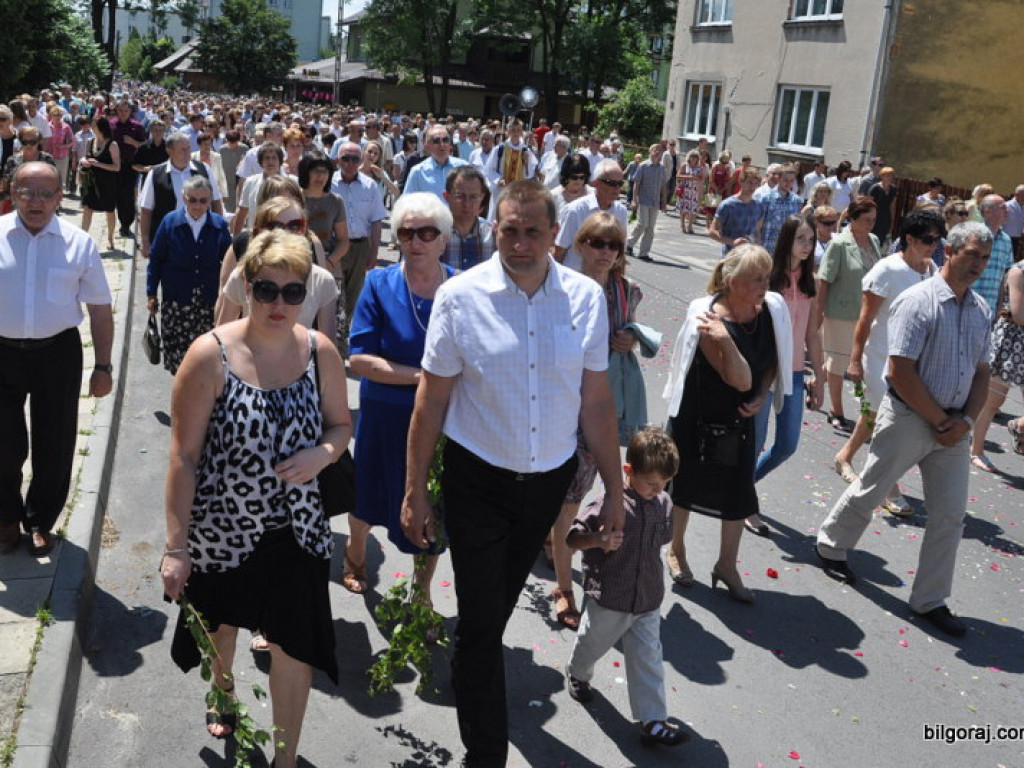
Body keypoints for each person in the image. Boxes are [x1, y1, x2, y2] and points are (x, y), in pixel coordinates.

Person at [401, 180, 624, 768]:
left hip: (546, 485)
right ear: (492, 230)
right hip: (476, 481)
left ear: (556, 235)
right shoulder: (461, 297)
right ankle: (486, 752)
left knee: (492, 612)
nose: (519, 243)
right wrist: (415, 490)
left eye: (532, 231)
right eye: (508, 231)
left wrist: (617, 490)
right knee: (480, 619)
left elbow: (596, 402)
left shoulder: (584, 299)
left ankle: (468, 667)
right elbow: (431, 399)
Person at [161, 229, 352, 767]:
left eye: (293, 293)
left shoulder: (320, 352)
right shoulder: (209, 355)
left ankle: (285, 760)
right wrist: (176, 548)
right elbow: (183, 457)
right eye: (267, 289)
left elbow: (341, 427)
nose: (279, 304)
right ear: (246, 286)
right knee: (221, 628)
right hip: (222, 530)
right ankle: (222, 692)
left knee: (295, 646)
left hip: (298, 531)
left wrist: (323, 454)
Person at [815, 222, 993, 638]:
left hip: (954, 427)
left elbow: (983, 372)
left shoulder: (981, 309)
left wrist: (965, 421)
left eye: (984, 259)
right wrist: (938, 420)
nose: (978, 265)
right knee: (873, 488)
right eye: (970, 255)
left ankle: (930, 599)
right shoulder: (919, 301)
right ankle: (831, 546)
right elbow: (900, 371)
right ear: (949, 250)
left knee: (949, 516)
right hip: (912, 417)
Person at [341, 193, 456, 628]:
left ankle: (421, 594)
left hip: (442, 421)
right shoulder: (378, 283)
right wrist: (426, 377)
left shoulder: (461, 287)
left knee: (432, 508)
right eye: (407, 232)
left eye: (427, 233)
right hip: (385, 415)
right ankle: (355, 553)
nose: (416, 241)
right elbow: (360, 360)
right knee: (368, 497)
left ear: (443, 239)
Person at [662, 244, 792, 600]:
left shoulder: (770, 310)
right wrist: (725, 340)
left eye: (767, 276)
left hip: (740, 417)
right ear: (732, 282)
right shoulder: (707, 318)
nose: (765, 285)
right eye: (756, 278)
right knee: (684, 486)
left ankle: (726, 565)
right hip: (699, 414)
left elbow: (771, 363)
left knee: (738, 491)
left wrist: (764, 394)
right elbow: (738, 379)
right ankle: (676, 550)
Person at [0, 162, 113, 557]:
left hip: (57, 352)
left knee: (56, 440)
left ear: (60, 198)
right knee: (3, 443)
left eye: (46, 193)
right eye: (27, 192)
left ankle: (40, 521)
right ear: (12, 193)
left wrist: (103, 366)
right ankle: (5, 519)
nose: (37, 201)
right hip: (2, 352)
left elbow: (100, 308)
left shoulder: (78, 243)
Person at [548, 212, 647, 630]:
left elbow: (631, 338)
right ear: (581, 244)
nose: (606, 252)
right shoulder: (560, 286)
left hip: (601, 406)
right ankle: (564, 587)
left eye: (614, 245)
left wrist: (631, 338)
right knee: (567, 497)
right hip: (561, 402)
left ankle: (556, 549)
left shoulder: (629, 291)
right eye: (598, 243)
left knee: (575, 492)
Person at [564, 427, 687, 748]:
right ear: (628, 472)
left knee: (648, 657)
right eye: (651, 483)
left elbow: (663, 538)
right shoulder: (608, 504)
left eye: (664, 483)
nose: (659, 490)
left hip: (646, 599)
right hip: (610, 597)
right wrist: (597, 540)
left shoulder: (663, 503)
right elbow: (572, 539)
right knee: (592, 644)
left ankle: (653, 720)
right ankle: (577, 673)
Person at [834, 209, 940, 510]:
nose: (933, 245)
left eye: (936, 239)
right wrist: (854, 361)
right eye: (927, 239)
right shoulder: (887, 270)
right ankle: (888, 488)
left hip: (908, 361)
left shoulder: (931, 271)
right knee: (886, 422)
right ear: (909, 238)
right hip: (878, 357)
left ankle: (845, 455)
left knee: (872, 416)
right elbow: (864, 320)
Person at [748, 216, 824, 536]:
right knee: (754, 442)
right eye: (801, 239)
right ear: (787, 240)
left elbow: (812, 335)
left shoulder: (812, 283)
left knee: (787, 445)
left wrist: (819, 378)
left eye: (811, 240)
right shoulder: (768, 278)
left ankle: (740, 487)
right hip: (765, 373)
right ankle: (746, 502)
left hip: (793, 375)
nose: (807, 246)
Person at [216, 197, 339, 344]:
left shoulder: (323, 280)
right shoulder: (241, 275)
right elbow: (221, 336)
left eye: (295, 226)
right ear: (258, 231)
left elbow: (328, 343)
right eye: (275, 226)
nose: (285, 233)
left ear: (305, 230)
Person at [146, 176, 233, 375]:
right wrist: (151, 293)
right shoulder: (170, 222)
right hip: (177, 300)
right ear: (184, 198)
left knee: (209, 354)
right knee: (179, 357)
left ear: (210, 201)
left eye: (203, 200)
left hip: (208, 301)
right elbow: (156, 259)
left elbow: (229, 261)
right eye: (192, 200)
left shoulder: (218, 225)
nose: (198, 205)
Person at [815, 197, 881, 431]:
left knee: (860, 364)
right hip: (840, 313)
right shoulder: (840, 244)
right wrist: (818, 316)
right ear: (852, 219)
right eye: (866, 220)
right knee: (838, 364)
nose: (871, 225)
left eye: (874, 220)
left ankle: (817, 383)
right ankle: (837, 410)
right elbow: (824, 281)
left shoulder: (874, 240)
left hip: (867, 314)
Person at [331, 141, 388, 346]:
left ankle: (342, 335)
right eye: (345, 158)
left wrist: (374, 252)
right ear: (338, 160)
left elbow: (376, 221)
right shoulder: (329, 183)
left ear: (361, 160)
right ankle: (334, 337)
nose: (350, 163)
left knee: (353, 295)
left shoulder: (370, 185)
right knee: (334, 294)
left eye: (355, 159)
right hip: (334, 246)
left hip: (360, 246)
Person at [139, 131, 224, 260]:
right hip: (168, 239)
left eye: (189, 148)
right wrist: (145, 241)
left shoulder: (204, 169)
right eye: (182, 150)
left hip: (201, 236)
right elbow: (146, 210)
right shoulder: (156, 175)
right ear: (170, 151)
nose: (187, 153)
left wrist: (220, 232)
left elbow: (216, 201)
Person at [554, 158, 627, 271]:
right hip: (574, 279)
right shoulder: (575, 211)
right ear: (596, 183)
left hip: (603, 280)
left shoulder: (621, 211)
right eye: (612, 183)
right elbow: (559, 251)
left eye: (620, 183)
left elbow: (621, 252)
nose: (617, 188)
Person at [79, 117, 120, 251]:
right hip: (91, 182)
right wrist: (84, 161)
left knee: (109, 210)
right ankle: (83, 238)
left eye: (94, 125)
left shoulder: (112, 144)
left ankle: (110, 238)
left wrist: (98, 164)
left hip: (108, 183)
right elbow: (86, 156)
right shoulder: (90, 141)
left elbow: (117, 167)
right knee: (87, 209)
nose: (91, 127)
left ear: (101, 127)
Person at [442, 165, 492, 270]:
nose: (467, 204)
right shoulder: (434, 235)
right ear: (447, 196)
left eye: (473, 197)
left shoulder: (493, 235)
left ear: (482, 197)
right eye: (460, 196)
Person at [625, 143, 669, 263]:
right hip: (643, 200)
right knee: (642, 224)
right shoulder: (643, 166)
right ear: (650, 152)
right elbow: (636, 183)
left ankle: (644, 253)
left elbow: (663, 186)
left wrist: (664, 202)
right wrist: (634, 200)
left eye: (659, 150)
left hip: (655, 202)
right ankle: (628, 244)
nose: (657, 152)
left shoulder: (662, 168)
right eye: (655, 150)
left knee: (650, 228)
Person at [110, 101, 147, 237]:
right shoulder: (112, 124)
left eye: (126, 111)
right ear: (117, 111)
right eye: (120, 111)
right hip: (115, 165)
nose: (123, 113)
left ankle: (127, 224)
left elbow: (144, 145)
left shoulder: (137, 126)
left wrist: (133, 142)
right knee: (119, 194)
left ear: (130, 112)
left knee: (128, 195)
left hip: (130, 164)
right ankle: (122, 222)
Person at [708, 167, 763, 258]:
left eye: (755, 183)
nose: (752, 186)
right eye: (749, 182)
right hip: (729, 256)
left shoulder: (758, 206)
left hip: (748, 258)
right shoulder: (728, 205)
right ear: (741, 181)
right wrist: (732, 241)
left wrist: (755, 241)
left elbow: (758, 231)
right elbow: (712, 231)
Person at [234, 143, 287, 235]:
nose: (271, 161)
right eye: (267, 158)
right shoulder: (250, 182)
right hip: (256, 237)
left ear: (280, 161)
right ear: (261, 162)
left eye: (274, 158)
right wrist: (235, 240)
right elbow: (242, 212)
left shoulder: (291, 183)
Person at [402, 124, 466, 199]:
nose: (442, 144)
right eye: (436, 141)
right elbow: (407, 202)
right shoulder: (418, 172)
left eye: (445, 140)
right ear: (427, 145)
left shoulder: (464, 167)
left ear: (450, 144)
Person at [755, 163, 803, 255]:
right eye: (785, 180)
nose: (788, 183)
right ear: (779, 178)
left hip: (785, 249)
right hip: (766, 248)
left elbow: (796, 226)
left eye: (791, 180)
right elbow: (758, 226)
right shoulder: (766, 198)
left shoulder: (796, 201)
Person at [551, 154, 591, 220]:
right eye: (574, 177)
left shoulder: (593, 195)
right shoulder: (553, 196)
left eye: (582, 177)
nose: (578, 180)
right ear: (566, 176)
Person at [45, 106, 74, 195]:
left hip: (62, 156)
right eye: (55, 115)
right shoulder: (47, 126)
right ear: (51, 115)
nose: (58, 117)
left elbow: (73, 141)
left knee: (61, 179)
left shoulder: (66, 127)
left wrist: (65, 146)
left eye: (59, 115)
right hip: (49, 156)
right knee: (50, 178)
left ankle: (58, 200)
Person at [675, 150, 705, 234]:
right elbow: (678, 175)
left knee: (693, 208)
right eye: (692, 156)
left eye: (696, 157)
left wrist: (698, 177)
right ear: (689, 157)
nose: (694, 158)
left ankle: (690, 226)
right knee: (684, 208)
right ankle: (682, 225)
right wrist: (688, 177)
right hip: (685, 189)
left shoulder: (700, 167)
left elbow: (702, 178)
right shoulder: (685, 165)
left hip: (694, 190)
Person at [867, 166, 898, 249]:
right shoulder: (875, 188)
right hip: (875, 217)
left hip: (885, 218)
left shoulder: (893, 189)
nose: (889, 178)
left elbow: (892, 206)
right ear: (882, 176)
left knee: (881, 242)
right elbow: (868, 205)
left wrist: (892, 221)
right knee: (871, 240)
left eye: (891, 175)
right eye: (887, 176)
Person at [193, 132, 228, 200]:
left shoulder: (217, 157)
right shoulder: (192, 157)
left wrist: (224, 193)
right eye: (205, 144)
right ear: (199, 145)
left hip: (213, 191)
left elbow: (221, 175)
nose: (207, 146)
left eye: (209, 144)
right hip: (197, 191)